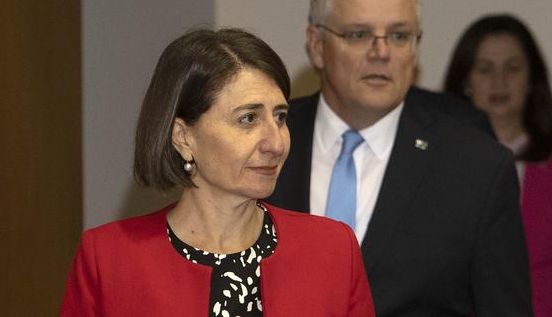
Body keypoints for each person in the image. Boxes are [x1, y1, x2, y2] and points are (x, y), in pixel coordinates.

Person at [268, 0, 533, 316]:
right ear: (317, 46)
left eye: (398, 36)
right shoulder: (265, 141)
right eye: (359, 34)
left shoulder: (476, 167)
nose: (381, 53)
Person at [61, 28, 375, 316]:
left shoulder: (333, 249)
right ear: (183, 137)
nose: (275, 143)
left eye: (279, 117)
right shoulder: (109, 259)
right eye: (248, 119)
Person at [443, 13, 552, 316]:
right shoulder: (441, 156)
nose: (499, 81)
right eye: (485, 69)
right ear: (466, 80)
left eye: (512, 68)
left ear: (532, 78)